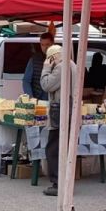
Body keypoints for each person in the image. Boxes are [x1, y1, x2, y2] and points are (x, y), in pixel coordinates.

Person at [40, 44, 79, 197]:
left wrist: (46, 68)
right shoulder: (73, 65)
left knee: (54, 149)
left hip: (60, 113)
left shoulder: (61, 67)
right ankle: (65, 183)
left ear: (52, 57)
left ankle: (58, 183)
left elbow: (46, 85)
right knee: (65, 149)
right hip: (71, 111)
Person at [23, 33, 54, 99]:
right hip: (38, 99)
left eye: (47, 44)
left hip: (54, 100)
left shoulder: (59, 60)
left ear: (52, 44)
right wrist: (31, 98)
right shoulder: (34, 59)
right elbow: (26, 81)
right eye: (42, 45)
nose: (45, 47)